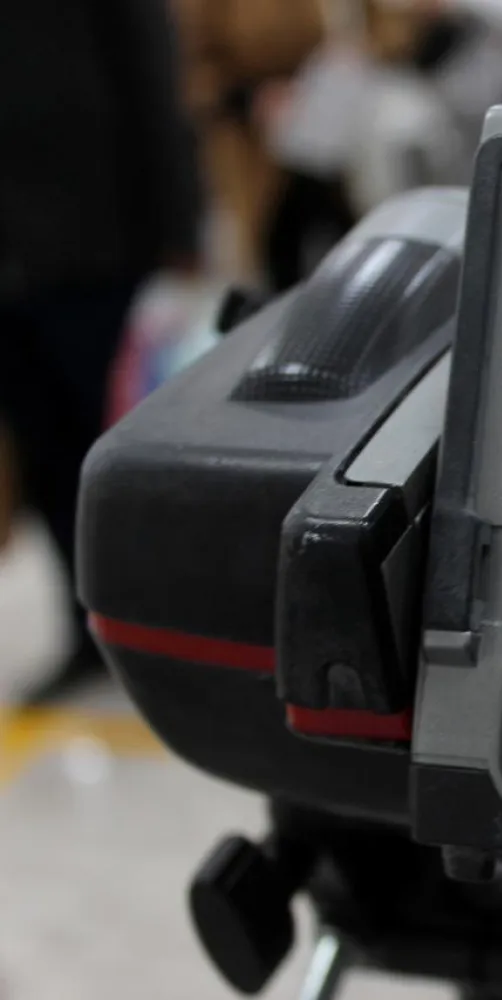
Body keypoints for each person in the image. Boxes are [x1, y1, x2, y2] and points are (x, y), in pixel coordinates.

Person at [0, 0, 204, 703]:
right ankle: (91, 628)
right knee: (49, 456)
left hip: (95, 245)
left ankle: (168, 627)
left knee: (124, 452)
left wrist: (179, 228)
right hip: (12, 263)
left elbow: (150, 84)